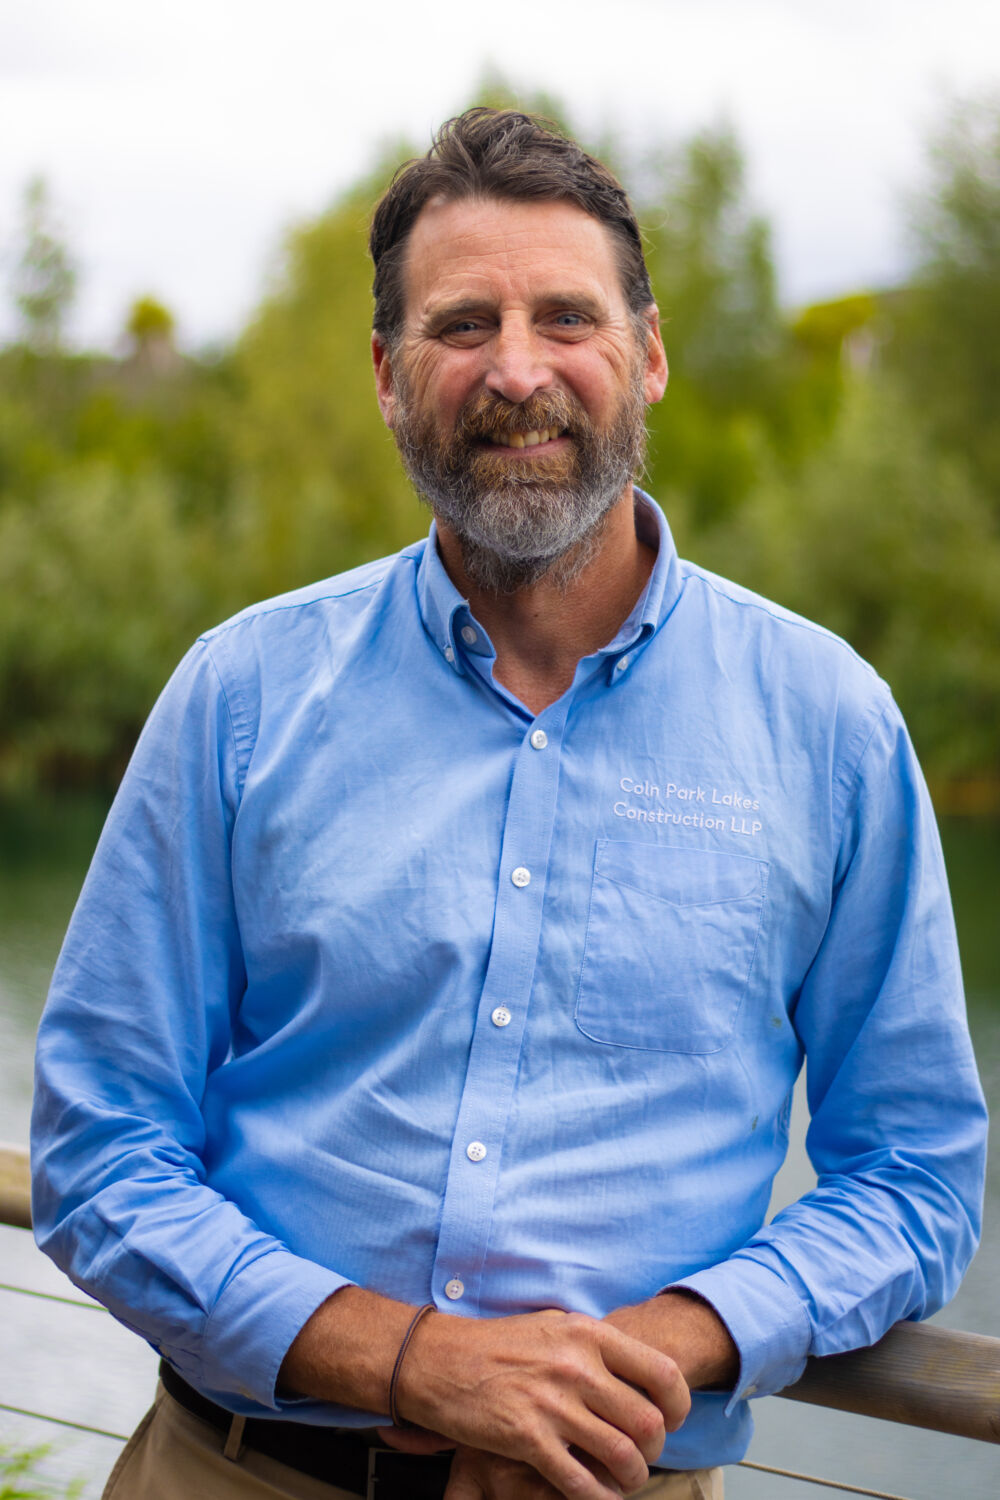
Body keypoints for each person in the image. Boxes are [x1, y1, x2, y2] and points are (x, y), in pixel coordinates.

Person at [31, 109, 987, 1500]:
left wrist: (659, 1351)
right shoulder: (241, 694)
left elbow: (914, 1177)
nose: (518, 370)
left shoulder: (830, 725)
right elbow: (99, 1142)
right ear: (388, 374)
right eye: (463, 323)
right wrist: (408, 1359)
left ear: (648, 354)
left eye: (567, 318)